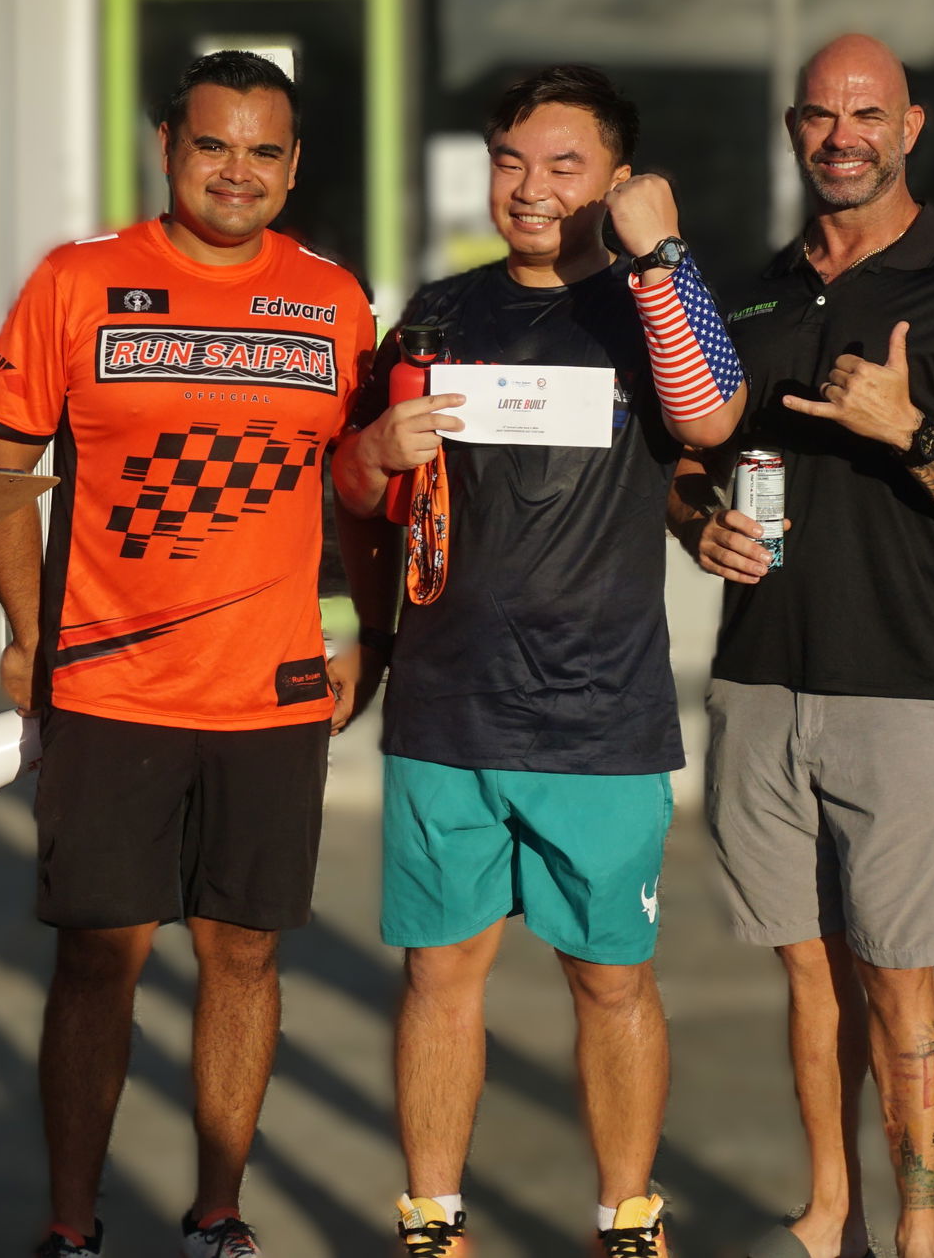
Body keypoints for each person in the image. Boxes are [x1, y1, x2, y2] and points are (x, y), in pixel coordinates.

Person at [0, 50, 392, 1258]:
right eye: (214, 145)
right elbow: (1, 477)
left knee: (244, 958)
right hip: (112, 685)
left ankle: (217, 1216)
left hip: (270, 693)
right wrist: (27, 634)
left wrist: (362, 631)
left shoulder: (331, 299)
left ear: (295, 163)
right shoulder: (78, 282)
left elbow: (352, 490)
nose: (237, 173)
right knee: (100, 964)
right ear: (168, 145)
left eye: (264, 151)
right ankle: (70, 1228)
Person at [333, 65, 747, 1257]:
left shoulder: (643, 308)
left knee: (609, 981)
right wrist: (374, 444)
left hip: (601, 715)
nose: (530, 188)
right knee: (439, 980)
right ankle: (431, 1220)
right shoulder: (439, 313)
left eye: (563, 165)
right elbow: (357, 491)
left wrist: (659, 257)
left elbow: (712, 420)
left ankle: (626, 1216)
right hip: (447, 707)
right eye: (511, 159)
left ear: (617, 182)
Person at [665, 35, 934, 1258]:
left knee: (899, 976)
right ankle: (829, 1215)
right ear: (794, 128)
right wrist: (700, 526)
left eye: (866, 114)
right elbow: (686, 465)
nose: (843, 135)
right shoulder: (755, 297)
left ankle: (921, 1231)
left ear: (908, 127)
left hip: (905, 688)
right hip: (761, 683)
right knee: (809, 975)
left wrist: (906, 430)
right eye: (823, 115)